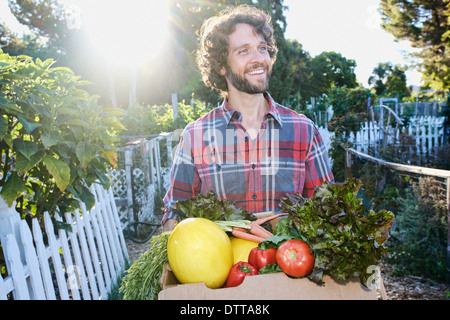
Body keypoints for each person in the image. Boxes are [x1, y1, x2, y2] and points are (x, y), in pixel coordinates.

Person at [162, 5, 333, 231]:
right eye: (243, 51)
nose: (258, 58)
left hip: (288, 265)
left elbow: (328, 209)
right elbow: (176, 211)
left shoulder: (304, 131)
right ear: (221, 66)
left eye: (262, 48)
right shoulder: (195, 137)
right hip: (221, 265)